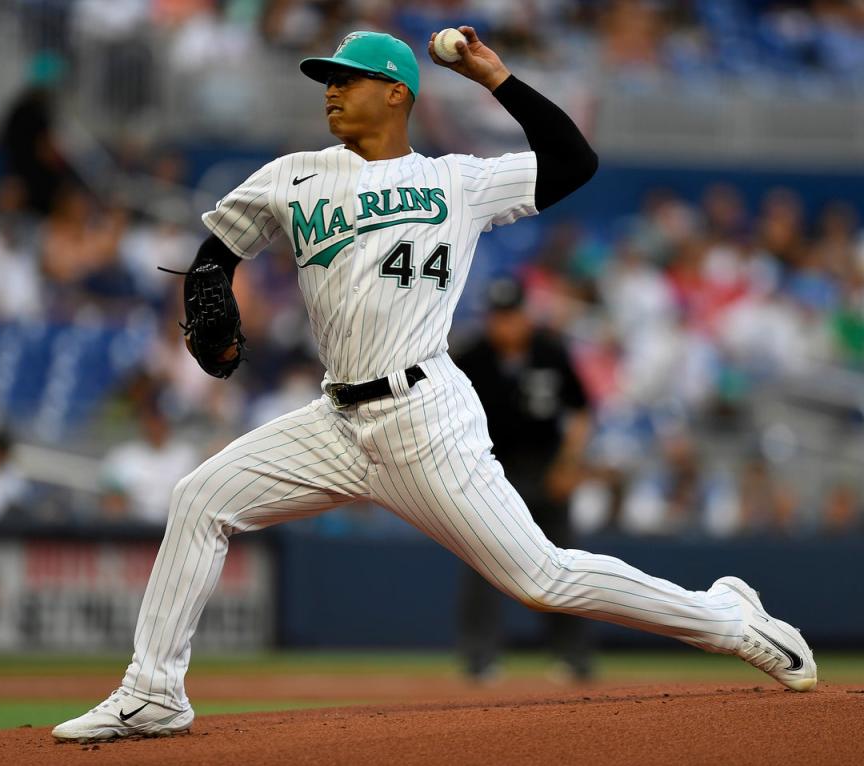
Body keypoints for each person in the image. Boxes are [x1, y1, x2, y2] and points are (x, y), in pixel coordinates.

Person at [53, 27, 816, 743]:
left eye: (348, 80)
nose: (330, 91)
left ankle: (729, 621)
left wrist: (495, 77)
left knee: (542, 578)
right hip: (335, 419)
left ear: (397, 94)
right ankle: (155, 690)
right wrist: (207, 297)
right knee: (199, 500)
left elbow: (573, 162)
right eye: (327, 80)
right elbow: (218, 250)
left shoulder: (459, 180)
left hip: (425, 417)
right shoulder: (295, 174)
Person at [455, 276, 595, 682]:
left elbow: (582, 410)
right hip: (491, 468)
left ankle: (573, 658)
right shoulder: (472, 356)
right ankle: (479, 659)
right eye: (497, 317)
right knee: (482, 563)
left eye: (511, 315)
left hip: (547, 467)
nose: (505, 325)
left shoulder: (550, 351)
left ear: (525, 315)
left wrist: (570, 464)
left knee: (565, 561)